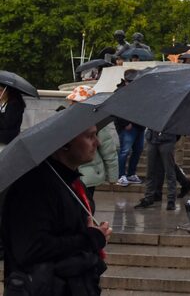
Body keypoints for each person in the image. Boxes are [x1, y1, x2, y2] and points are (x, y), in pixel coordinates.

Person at [1, 125, 111, 294]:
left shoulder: (70, 181)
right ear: (65, 144)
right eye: (90, 136)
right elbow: (31, 248)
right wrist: (89, 239)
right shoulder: (34, 187)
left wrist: (92, 234)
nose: (98, 142)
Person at [65, 86, 119, 212]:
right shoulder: (67, 121)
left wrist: (113, 177)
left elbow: (108, 151)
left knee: (86, 206)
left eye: (76, 103)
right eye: (73, 102)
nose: (72, 105)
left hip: (88, 175)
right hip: (71, 172)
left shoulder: (96, 125)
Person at [135, 128, 183, 211]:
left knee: (169, 171)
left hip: (167, 139)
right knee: (150, 171)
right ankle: (149, 197)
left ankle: (171, 200)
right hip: (152, 139)